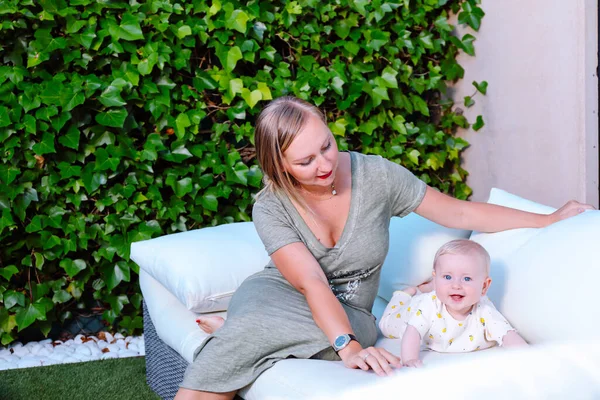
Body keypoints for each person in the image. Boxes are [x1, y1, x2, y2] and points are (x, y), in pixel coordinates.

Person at [176, 96, 594, 400]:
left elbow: (459, 214)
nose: (324, 164)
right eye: (305, 161)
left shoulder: (376, 176)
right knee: (258, 321)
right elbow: (309, 283)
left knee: (250, 332)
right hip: (279, 294)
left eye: (326, 145)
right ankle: (236, 335)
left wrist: (547, 219)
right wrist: (348, 348)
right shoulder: (270, 206)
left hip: (353, 313)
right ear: (279, 165)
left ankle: (231, 333)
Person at [379, 239, 527, 368]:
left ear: (484, 286)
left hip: (434, 296)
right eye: (448, 277)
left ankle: (426, 287)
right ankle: (405, 294)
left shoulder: (485, 310)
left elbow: (507, 335)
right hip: (410, 311)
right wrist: (410, 359)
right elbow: (412, 332)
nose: (456, 285)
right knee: (386, 326)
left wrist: (530, 358)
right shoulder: (428, 306)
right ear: (436, 278)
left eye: (467, 279)